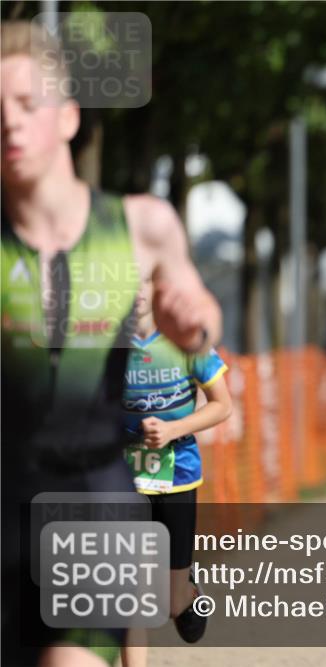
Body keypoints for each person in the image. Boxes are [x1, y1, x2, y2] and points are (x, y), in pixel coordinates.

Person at [1, 21, 222, 667]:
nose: (10, 125)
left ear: (68, 115)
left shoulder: (139, 225)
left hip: (91, 494)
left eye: (25, 104)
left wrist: (193, 324)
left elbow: (197, 309)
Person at [120, 275, 232, 666]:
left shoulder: (185, 340)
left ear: (155, 288)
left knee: (170, 602)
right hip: (123, 478)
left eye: (140, 284)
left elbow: (223, 405)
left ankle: (187, 597)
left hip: (178, 474)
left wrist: (172, 429)